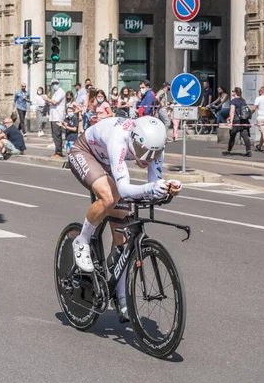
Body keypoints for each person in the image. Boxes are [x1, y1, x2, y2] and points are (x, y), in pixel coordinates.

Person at [68, 116, 182, 321]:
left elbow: (153, 184)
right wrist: (151, 188)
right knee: (110, 196)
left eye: (153, 154)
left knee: (122, 232)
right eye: (142, 152)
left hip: (112, 163)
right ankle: (82, 240)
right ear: (134, 139)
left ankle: (120, 296)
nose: (147, 158)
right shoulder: (118, 138)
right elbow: (124, 189)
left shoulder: (153, 145)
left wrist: (167, 189)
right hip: (86, 153)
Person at [222, 87, 252, 157]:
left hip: (236, 121)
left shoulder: (233, 101)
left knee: (232, 136)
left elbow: (232, 112)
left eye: (233, 91)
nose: (232, 92)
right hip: (244, 120)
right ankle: (248, 151)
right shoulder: (243, 100)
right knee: (245, 136)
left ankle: (228, 151)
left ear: (235, 93)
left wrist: (231, 122)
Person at [42, 78, 66, 159]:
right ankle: (57, 151)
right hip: (53, 116)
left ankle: (59, 152)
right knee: (54, 135)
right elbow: (53, 102)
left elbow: (55, 102)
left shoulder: (60, 92)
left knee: (57, 135)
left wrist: (46, 98)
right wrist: (47, 101)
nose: (54, 85)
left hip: (57, 117)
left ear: (58, 84)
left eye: (56, 83)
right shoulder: (55, 92)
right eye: (53, 83)